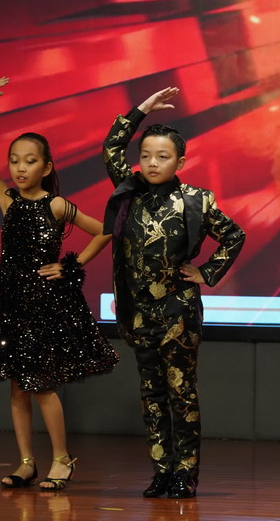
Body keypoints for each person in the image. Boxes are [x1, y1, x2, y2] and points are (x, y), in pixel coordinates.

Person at [0, 77, 119, 491]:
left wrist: (71, 265)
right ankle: (26, 462)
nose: (20, 168)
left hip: (44, 304)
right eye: (15, 161)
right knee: (17, 387)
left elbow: (106, 230)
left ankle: (62, 459)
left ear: (47, 166)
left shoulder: (56, 205)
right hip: (7, 299)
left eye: (29, 161)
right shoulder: (6, 201)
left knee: (41, 385)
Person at [102, 87, 245, 499]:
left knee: (182, 392)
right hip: (138, 311)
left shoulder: (196, 200)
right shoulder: (129, 191)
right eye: (146, 155)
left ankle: (186, 473)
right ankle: (161, 470)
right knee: (151, 394)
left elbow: (234, 235)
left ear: (180, 162)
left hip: (178, 311)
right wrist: (141, 109)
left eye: (162, 156)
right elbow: (112, 146)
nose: (152, 163)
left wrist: (206, 272)